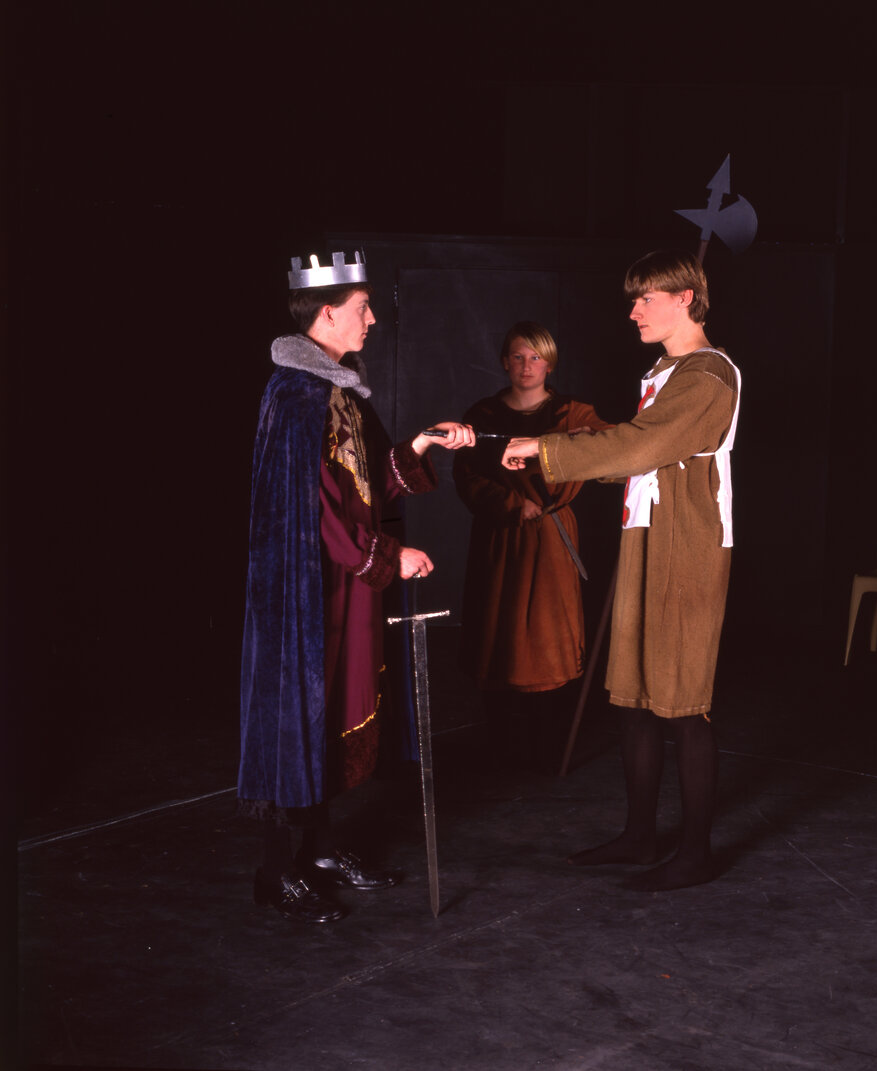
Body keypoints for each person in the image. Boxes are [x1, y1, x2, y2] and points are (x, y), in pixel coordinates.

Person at [238, 250, 474, 922]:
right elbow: (314, 512)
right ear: (327, 312)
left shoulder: (337, 389)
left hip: (343, 587)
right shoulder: (297, 396)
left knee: (333, 713)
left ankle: (318, 853)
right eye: (363, 308)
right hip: (306, 593)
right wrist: (391, 556)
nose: (372, 320)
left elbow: (364, 484)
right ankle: (275, 871)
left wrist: (421, 444)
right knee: (297, 715)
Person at [502, 250, 741, 891]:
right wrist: (548, 450)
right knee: (634, 697)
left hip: (688, 546)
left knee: (683, 703)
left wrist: (549, 448)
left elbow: (641, 445)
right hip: (647, 536)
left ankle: (696, 853)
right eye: (633, 299)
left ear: (685, 298)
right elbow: (635, 455)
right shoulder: (667, 370)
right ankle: (640, 837)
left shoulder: (708, 375)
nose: (633, 311)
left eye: (646, 298)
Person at [452, 322, 610, 765]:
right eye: (518, 357)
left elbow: (610, 444)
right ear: (505, 362)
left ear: (550, 363)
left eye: (536, 357)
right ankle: (502, 746)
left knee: (548, 635)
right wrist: (509, 503)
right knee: (497, 631)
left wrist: (567, 444)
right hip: (501, 537)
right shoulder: (483, 415)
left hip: (552, 537)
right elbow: (467, 476)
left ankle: (547, 745)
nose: (527, 366)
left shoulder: (573, 413)